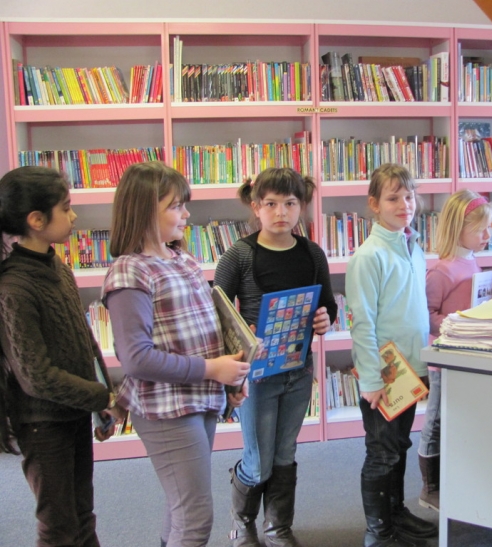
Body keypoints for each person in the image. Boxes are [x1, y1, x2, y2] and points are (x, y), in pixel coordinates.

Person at [101, 161, 250, 547]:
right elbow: (136, 359)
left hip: (200, 397)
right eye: (175, 206)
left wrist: (229, 376)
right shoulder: (129, 273)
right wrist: (212, 369)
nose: (186, 214)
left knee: (181, 507)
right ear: (145, 210)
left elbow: (208, 328)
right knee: (196, 517)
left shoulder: (181, 258)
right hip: (166, 407)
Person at [0, 166, 125, 547]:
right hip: (42, 424)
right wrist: (102, 397)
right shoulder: (13, 288)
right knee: (58, 527)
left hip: (72, 414)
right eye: (66, 208)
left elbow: (84, 341)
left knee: (82, 515)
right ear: (36, 220)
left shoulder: (57, 266)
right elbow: (36, 376)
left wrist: (100, 399)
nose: (73, 217)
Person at [214, 167, 337, 547]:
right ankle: (242, 521)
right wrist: (240, 348)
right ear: (256, 206)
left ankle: (277, 526)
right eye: (271, 204)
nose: (281, 211)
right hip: (257, 376)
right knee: (257, 460)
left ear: (302, 207)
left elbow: (327, 305)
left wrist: (323, 319)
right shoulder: (240, 255)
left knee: (285, 453)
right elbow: (218, 312)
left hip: (298, 371)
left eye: (290, 203)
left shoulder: (312, 253)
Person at [346, 163, 437, 547]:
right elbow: (361, 323)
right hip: (382, 375)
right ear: (374, 204)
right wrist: (370, 380)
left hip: (410, 369)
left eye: (409, 196)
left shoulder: (412, 247)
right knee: (381, 452)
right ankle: (378, 531)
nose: (404, 204)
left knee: (399, 446)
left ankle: (396, 514)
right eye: (393, 197)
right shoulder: (370, 256)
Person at [420, 189, 492, 512]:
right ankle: (429, 486)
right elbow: (427, 315)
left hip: (466, 358)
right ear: (458, 229)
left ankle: (452, 478)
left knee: (457, 420)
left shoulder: (473, 263)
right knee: (434, 419)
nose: (487, 235)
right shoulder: (443, 271)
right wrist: (456, 322)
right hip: (443, 361)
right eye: (481, 229)